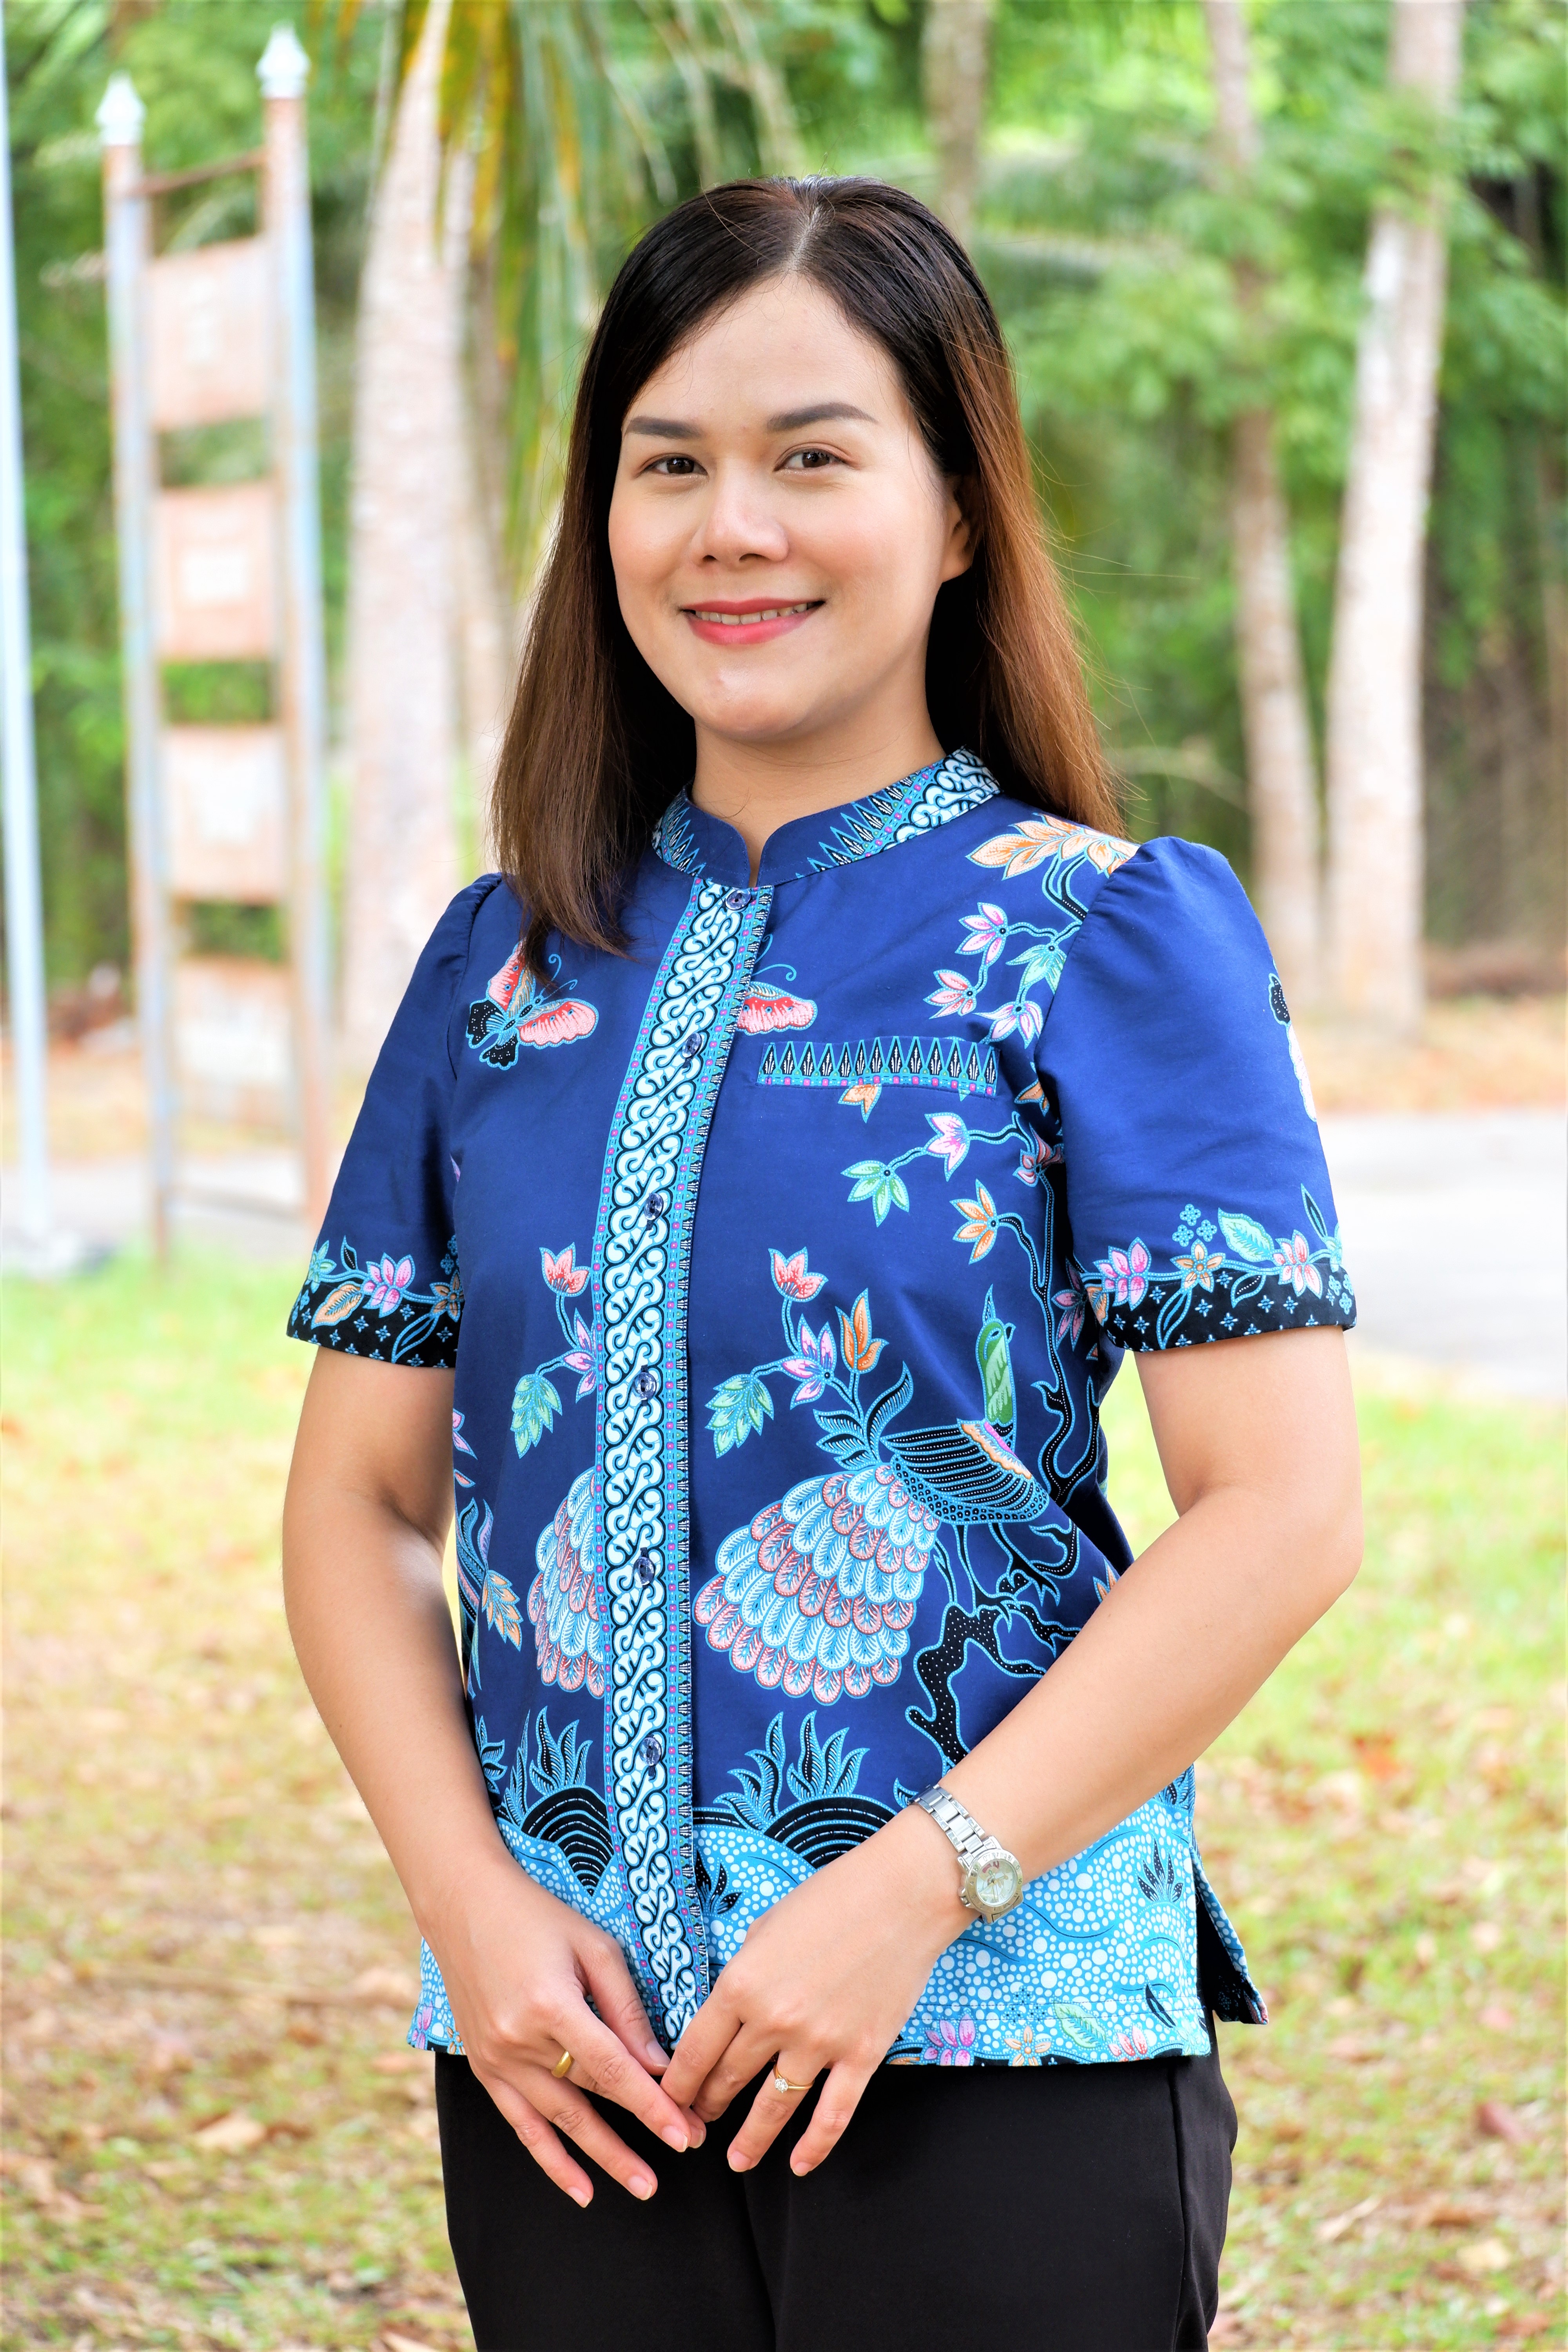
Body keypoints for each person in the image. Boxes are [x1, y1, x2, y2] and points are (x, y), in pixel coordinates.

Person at [281, 176, 1362, 2352]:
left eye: (812, 456)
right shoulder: (501, 972)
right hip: (570, 2068)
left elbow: (1282, 1509)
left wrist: (912, 1894)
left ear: (958, 512)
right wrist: (471, 1906)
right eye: (667, 465)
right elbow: (360, 1505)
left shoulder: (1103, 932)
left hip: (998, 2050)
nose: (732, 529)